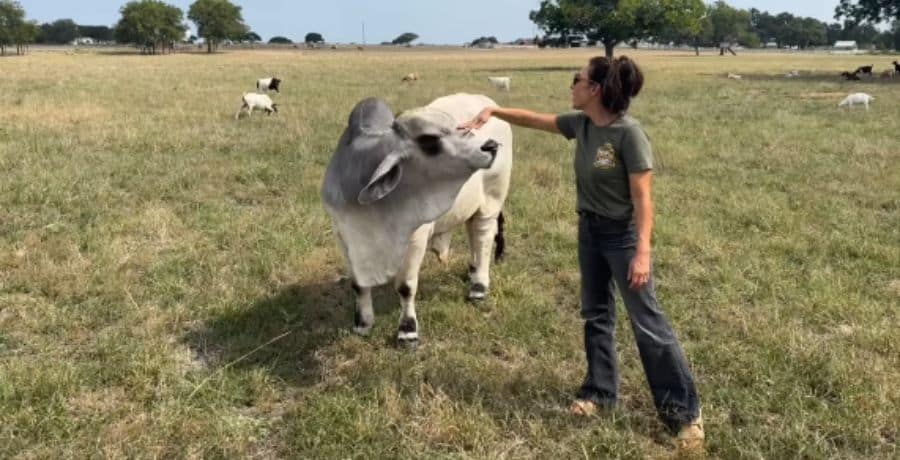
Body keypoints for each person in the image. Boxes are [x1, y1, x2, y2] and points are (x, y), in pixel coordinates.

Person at [459, 56, 703, 450]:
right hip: (589, 230)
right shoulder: (582, 125)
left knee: (648, 324)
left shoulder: (629, 135)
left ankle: (684, 416)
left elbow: (644, 200)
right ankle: (600, 393)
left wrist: (643, 252)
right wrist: (493, 110)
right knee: (596, 314)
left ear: (595, 91)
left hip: (622, 238)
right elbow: (534, 119)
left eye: (578, 79)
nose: (571, 85)